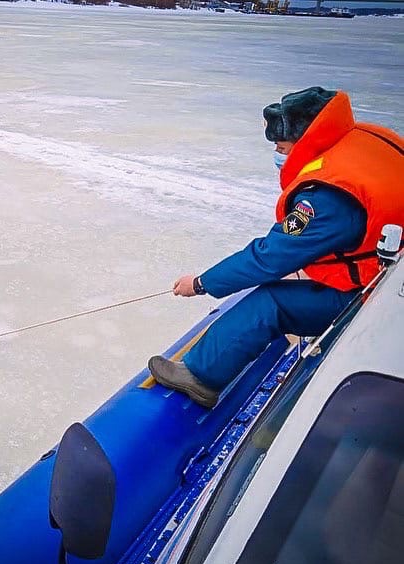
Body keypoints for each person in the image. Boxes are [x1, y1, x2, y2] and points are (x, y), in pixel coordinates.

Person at [148, 86, 403, 408]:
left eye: (282, 148)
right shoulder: (368, 139)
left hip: (376, 295)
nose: (280, 155)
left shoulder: (328, 196)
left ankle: (201, 376)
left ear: (305, 140)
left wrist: (201, 284)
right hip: (391, 266)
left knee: (269, 303)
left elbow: (269, 258)